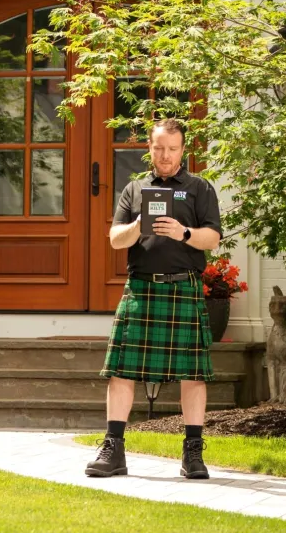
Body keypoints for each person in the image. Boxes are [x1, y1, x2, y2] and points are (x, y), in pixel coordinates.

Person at [86, 118, 222, 480]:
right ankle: (113, 450)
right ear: (149, 147)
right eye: (159, 147)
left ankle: (193, 453)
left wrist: (184, 232)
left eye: (172, 149)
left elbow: (212, 239)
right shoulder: (135, 189)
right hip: (142, 287)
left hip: (183, 287)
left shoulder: (199, 188)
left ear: (182, 149)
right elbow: (116, 239)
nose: (165, 155)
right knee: (121, 371)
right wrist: (139, 223)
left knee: (193, 375)